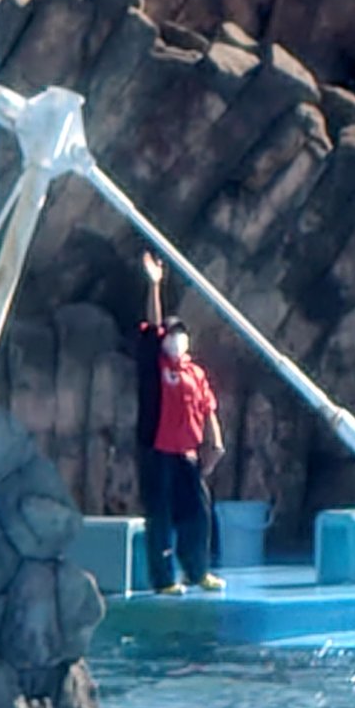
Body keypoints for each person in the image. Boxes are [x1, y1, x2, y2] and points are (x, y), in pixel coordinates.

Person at [137, 251, 225, 595]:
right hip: (158, 450)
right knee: (159, 515)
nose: (175, 338)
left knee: (197, 512)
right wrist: (154, 285)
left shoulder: (194, 371)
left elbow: (208, 408)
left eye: (180, 333)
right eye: (171, 334)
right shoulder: (155, 366)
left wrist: (214, 443)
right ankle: (163, 579)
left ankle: (198, 570)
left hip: (187, 452)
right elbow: (155, 325)